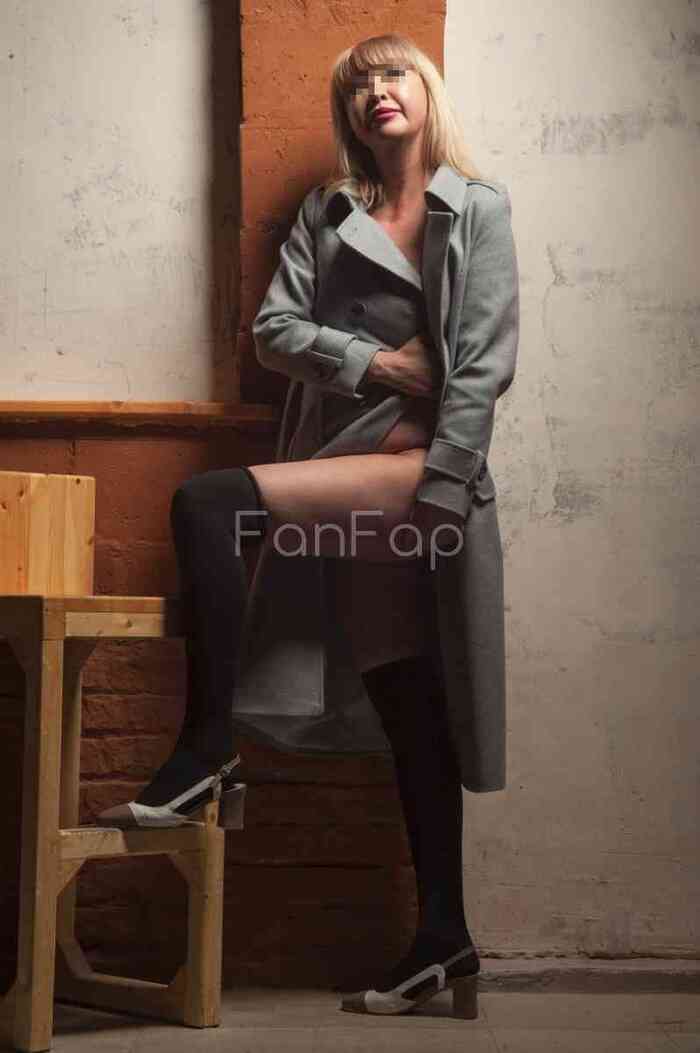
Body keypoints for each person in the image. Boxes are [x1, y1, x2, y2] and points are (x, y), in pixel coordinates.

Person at [96, 32, 519, 1018]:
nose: (378, 92)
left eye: (394, 74)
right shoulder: (329, 214)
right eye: (359, 84)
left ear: (425, 91)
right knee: (404, 694)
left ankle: (207, 751)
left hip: (424, 476)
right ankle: (445, 935)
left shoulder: (478, 208)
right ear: (349, 112)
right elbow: (274, 333)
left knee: (209, 501)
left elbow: (485, 364)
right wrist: (381, 363)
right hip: (347, 469)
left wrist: (441, 495)